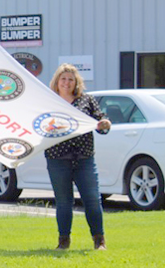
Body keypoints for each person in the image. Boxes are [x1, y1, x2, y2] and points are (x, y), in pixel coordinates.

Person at [46, 63, 111, 250]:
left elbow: (100, 120)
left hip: (84, 158)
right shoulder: (48, 101)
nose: (66, 83)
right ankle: (63, 241)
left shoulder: (86, 100)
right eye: (63, 79)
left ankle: (99, 241)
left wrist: (104, 123)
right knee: (64, 201)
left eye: (71, 79)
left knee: (92, 198)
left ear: (76, 83)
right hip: (57, 158)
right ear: (57, 81)